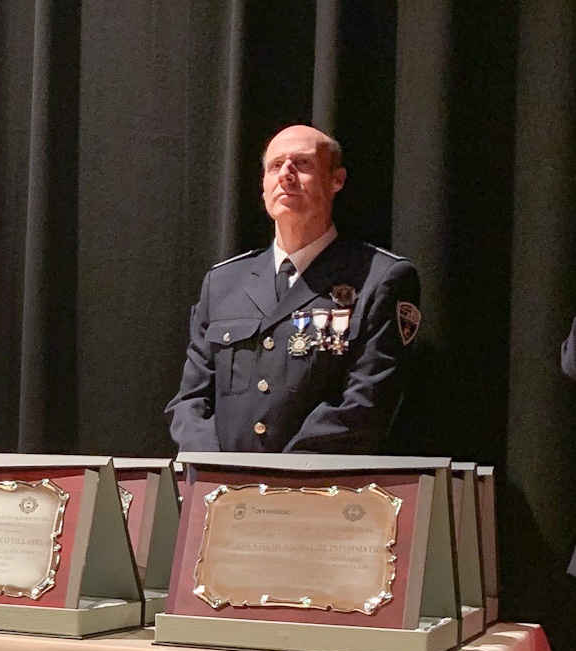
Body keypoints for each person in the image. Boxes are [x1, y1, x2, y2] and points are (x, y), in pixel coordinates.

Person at [166, 125, 422, 453]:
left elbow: (367, 404)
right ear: (263, 185)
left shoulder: (380, 277)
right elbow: (190, 400)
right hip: (221, 482)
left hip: (318, 482)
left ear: (337, 180)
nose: (286, 175)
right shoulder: (224, 283)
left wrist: (284, 474)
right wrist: (213, 470)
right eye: (275, 166)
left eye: (302, 164)